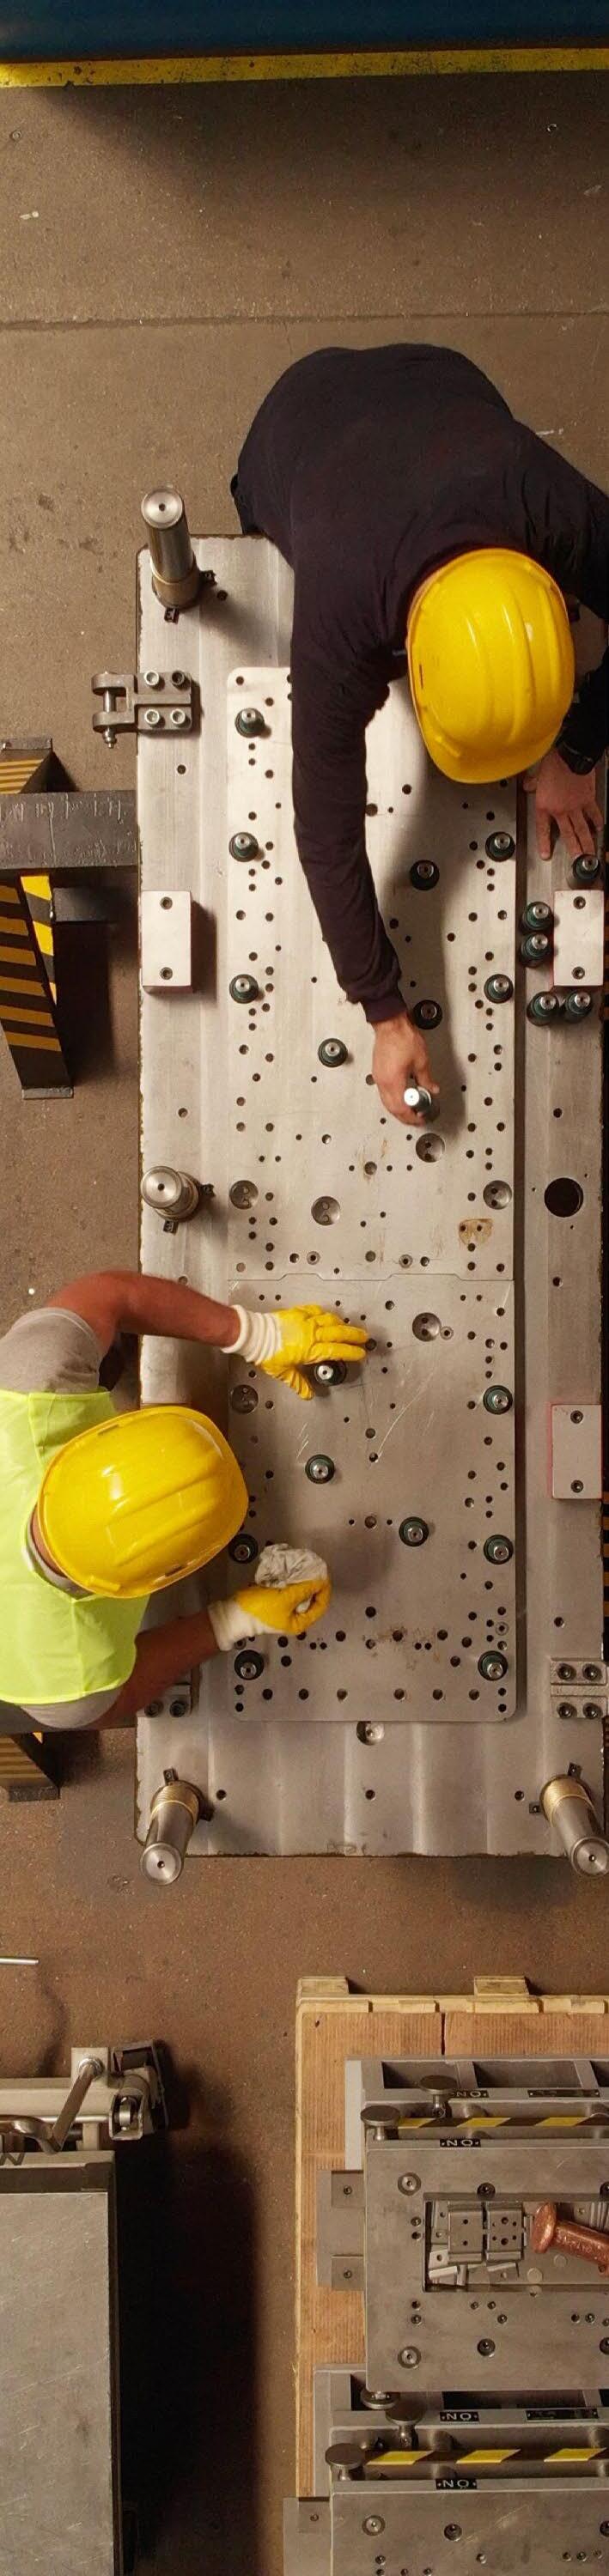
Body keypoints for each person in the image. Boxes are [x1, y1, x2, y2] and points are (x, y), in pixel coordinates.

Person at [232, 343, 607, 1127]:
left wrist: (574, 750)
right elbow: (325, 834)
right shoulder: (341, 621)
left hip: (436, 376)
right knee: (257, 533)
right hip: (297, 416)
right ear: (405, 660)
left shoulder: (554, 508)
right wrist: (383, 1012)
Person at [0, 1270, 367, 1732]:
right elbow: (118, 1696)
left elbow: (112, 1293)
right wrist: (230, 1622)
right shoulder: (61, 1684)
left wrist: (254, 1333)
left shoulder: (28, 1387)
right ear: (163, 1577)